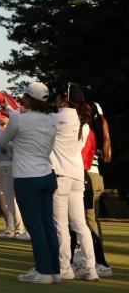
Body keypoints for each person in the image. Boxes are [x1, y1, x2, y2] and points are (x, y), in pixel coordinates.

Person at [0, 82, 60, 284]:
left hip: (27, 179)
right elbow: (40, 146)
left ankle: (44, 272)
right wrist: (9, 109)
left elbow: (2, 141)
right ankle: (54, 271)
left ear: (29, 98)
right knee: (48, 225)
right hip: (47, 175)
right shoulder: (51, 120)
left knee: (35, 227)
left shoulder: (20, 120)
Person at [49, 84, 97, 281]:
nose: (57, 99)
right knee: (80, 224)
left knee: (61, 225)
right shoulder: (84, 122)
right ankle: (89, 268)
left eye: (59, 96)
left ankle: (64, 268)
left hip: (60, 175)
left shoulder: (55, 118)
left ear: (65, 99)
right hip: (77, 176)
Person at [82, 103, 112, 277]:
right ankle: (95, 256)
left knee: (89, 220)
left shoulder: (89, 132)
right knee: (92, 219)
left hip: (90, 178)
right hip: (97, 176)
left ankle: (99, 261)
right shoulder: (101, 130)